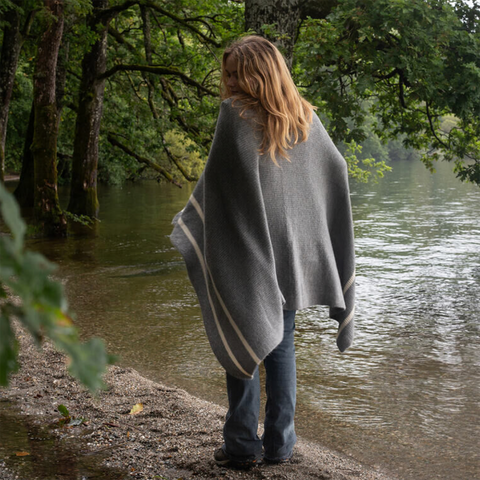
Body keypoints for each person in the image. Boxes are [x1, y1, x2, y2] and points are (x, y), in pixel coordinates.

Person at [170, 35, 355, 468]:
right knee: (281, 345)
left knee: (245, 337)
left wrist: (193, 224)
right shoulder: (305, 117)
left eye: (237, 73)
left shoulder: (234, 116)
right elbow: (336, 167)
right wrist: (308, 224)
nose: (230, 82)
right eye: (227, 73)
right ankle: (280, 446)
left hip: (253, 251)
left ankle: (240, 447)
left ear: (261, 72)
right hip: (293, 254)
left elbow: (219, 190)